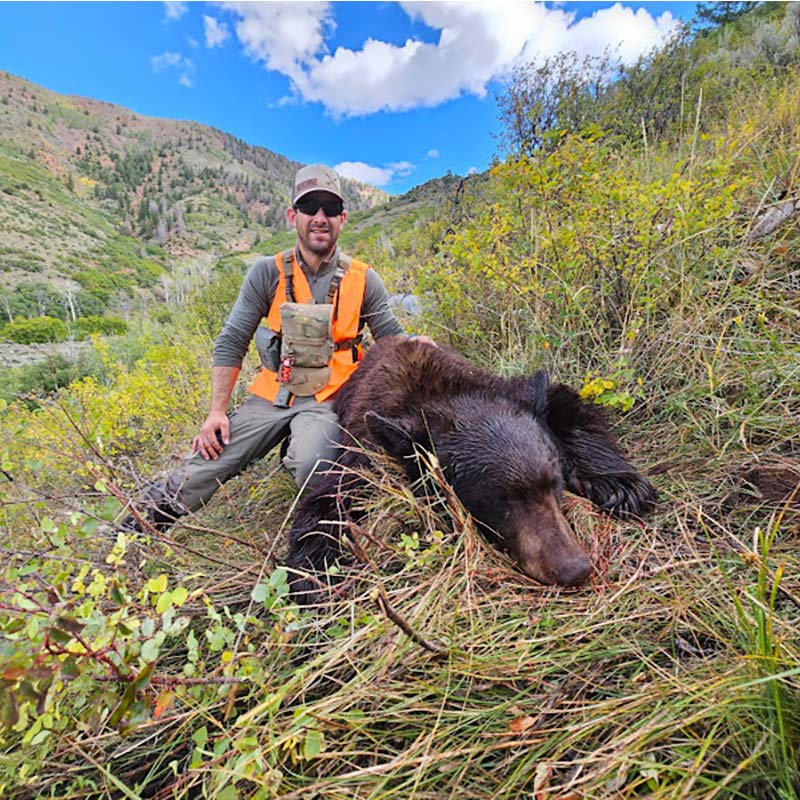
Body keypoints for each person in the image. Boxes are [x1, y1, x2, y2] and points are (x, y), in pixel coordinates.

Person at [123, 163, 431, 533]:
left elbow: (392, 339)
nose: (320, 218)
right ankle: (135, 527)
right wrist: (216, 412)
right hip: (272, 394)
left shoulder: (365, 279)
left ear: (343, 218)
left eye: (330, 209)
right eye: (309, 207)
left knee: (313, 465)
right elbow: (232, 340)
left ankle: (298, 462)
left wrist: (417, 348)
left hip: (331, 398)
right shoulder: (266, 273)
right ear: (292, 215)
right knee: (209, 461)